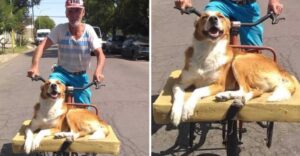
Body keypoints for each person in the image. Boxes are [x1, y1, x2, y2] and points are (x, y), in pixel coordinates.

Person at [27, 0, 105, 105]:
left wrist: (98, 71)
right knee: (50, 95)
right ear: (66, 13)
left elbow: (100, 54)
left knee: (84, 110)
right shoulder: (60, 29)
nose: (74, 15)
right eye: (70, 11)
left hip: (80, 76)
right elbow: (41, 47)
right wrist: (34, 66)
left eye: (77, 10)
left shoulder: (89, 31)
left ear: (83, 12)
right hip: (61, 74)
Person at [175, 0, 283, 46]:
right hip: (220, 3)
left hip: (248, 6)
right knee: (209, 21)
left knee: (254, 50)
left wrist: (274, 1)